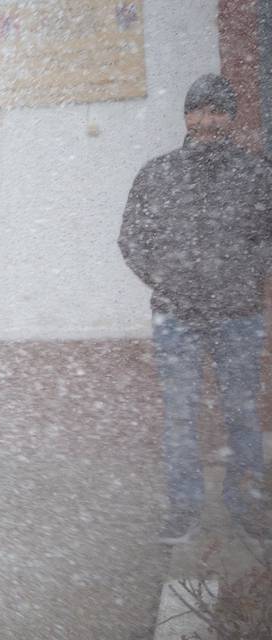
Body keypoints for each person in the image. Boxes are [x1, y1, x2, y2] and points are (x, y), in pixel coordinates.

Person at [118, 73, 272, 544]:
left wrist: (245, 275)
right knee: (180, 415)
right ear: (186, 116)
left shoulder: (256, 174)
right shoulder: (157, 173)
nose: (207, 120)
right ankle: (184, 508)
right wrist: (168, 281)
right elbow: (131, 239)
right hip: (176, 317)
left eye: (217, 110)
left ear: (231, 117)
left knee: (242, 413)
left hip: (238, 314)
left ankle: (246, 502)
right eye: (198, 110)